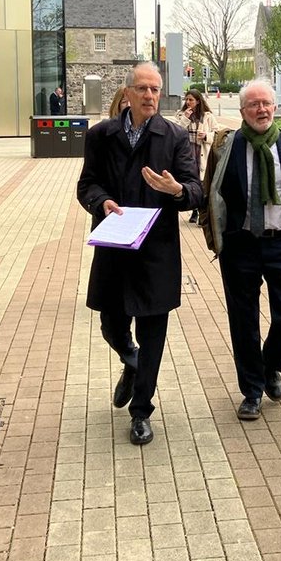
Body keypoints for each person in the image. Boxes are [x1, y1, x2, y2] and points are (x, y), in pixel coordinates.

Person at [76, 63, 202, 445]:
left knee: (153, 333)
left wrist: (176, 190)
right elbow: (87, 184)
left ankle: (142, 411)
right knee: (111, 326)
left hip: (156, 253)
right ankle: (130, 362)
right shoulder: (101, 136)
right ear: (127, 93)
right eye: (143, 89)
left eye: (155, 89)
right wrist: (102, 202)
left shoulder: (174, 137)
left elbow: (196, 190)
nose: (150, 96)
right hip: (115, 247)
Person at [199, 79, 281, 421]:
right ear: (242, 112)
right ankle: (252, 391)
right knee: (243, 321)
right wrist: (216, 237)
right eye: (254, 105)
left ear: (275, 107)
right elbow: (210, 191)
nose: (261, 110)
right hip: (240, 245)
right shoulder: (226, 146)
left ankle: (270, 367)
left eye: (266, 103)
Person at [172, 87, 219, 224]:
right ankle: (194, 211)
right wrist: (185, 118)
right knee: (191, 180)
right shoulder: (181, 115)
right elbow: (176, 131)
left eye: (191, 100)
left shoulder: (208, 116)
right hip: (188, 151)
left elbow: (217, 134)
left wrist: (206, 136)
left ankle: (201, 212)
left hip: (202, 151)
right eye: (186, 99)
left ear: (198, 101)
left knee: (203, 183)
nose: (188, 102)